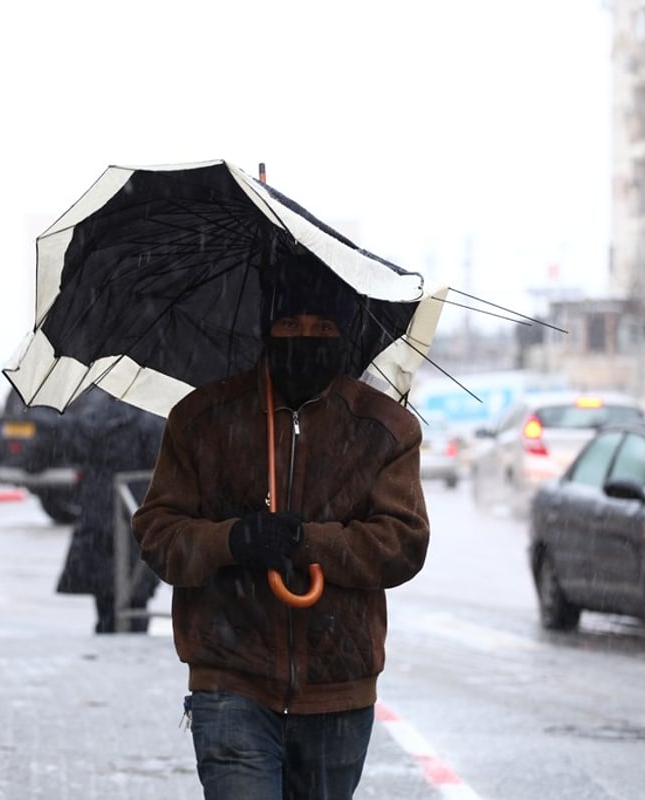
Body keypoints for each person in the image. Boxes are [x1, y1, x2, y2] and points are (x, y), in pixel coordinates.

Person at [131, 253, 431, 798]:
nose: (304, 337)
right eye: (289, 324)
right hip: (229, 680)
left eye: (322, 327)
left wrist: (308, 541)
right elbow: (157, 533)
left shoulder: (385, 428)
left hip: (338, 690)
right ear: (266, 328)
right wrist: (233, 540)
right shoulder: (202, 419)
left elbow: (403, 545)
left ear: (345, 333)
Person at [55, 387, 166, 634]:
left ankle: (109, 634)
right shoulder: (149, 417)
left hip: (98, 513)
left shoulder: (92, 414)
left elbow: (71, 447)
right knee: (135, 597)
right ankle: (128, 639)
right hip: (133, 514)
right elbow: (161, 459)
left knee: (106, 597)